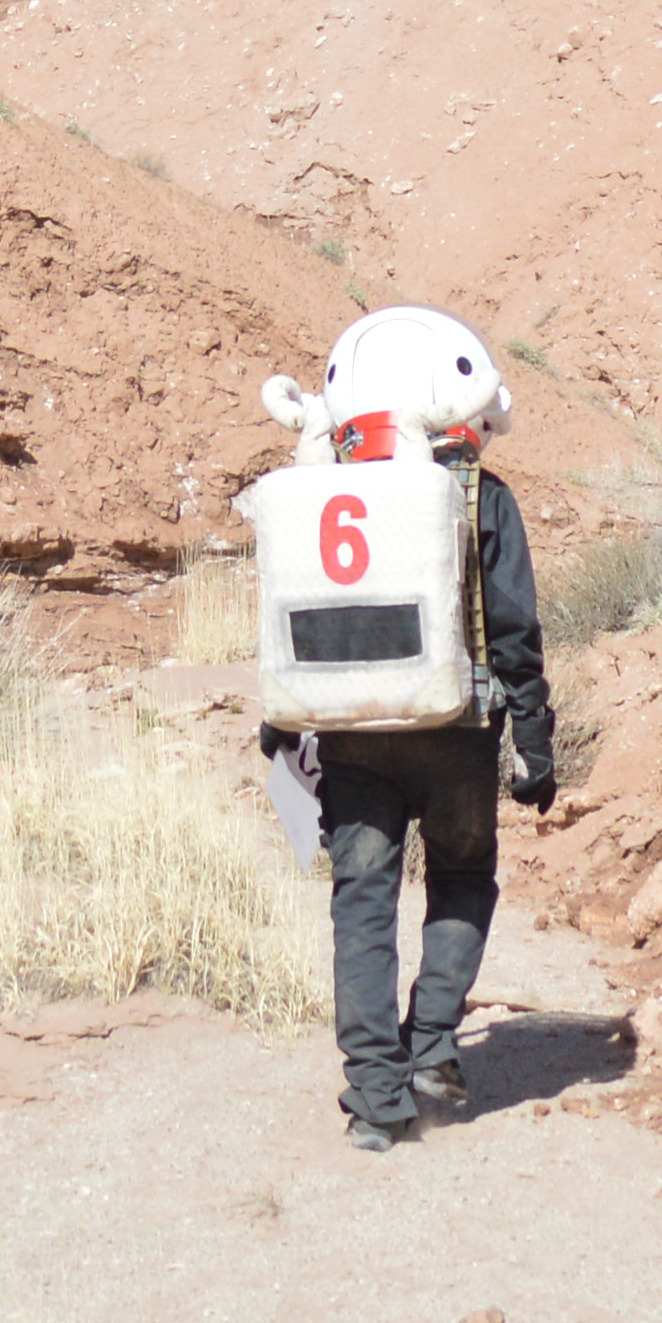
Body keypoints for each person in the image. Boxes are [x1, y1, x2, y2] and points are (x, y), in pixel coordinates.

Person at [264, 311, 555, 1151]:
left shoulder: (315, 493)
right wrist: (534, 744)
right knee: (463, 875)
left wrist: (278, 729)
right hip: (457, 731)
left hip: (349, 734)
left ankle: (374, 1100)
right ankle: (430, 1048)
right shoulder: (479, 497)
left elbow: (283, 615)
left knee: (362, 906)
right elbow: (514, 630)